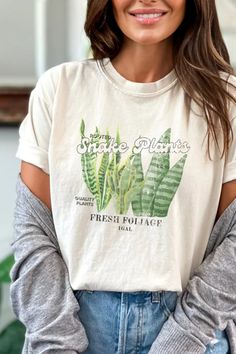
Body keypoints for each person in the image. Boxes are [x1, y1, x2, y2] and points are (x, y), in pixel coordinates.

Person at [11, 0, 236, 353]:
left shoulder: (226, 102)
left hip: (190, 327)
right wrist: (56, 338)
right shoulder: (60, 88)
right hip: (74, 325)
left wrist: (183, 338)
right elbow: (33, 230)